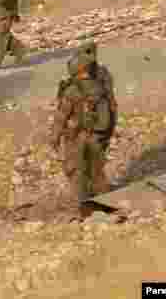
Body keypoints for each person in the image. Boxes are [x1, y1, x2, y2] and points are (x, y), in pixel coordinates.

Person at [49, 42, 117, 213]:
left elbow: (61, 116)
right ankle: (105, 205)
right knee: (97, 172)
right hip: (96, 137)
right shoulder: (100, 87)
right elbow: (111, 111)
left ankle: (81, 209)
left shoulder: (72, 91)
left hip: (77, 138)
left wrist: (55, 137)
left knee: (77, 173)